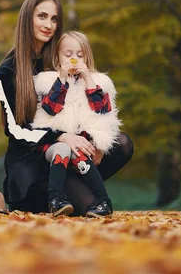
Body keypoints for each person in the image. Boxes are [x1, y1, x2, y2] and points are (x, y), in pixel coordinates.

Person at [0, 0, 134, 216]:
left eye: (54, 18)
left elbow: (82, 108)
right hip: (32, 163)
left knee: (123, 144)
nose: (48, 24)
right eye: (42, 16)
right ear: (27, 18)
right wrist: (60, 136)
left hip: (69, 156)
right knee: (88, 206)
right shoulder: (7, 71)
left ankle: (75, 182)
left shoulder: (61, 58)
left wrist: (93, 141)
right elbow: (15, 130)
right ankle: (51, 195)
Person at [31, 31, 121, 217]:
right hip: (54, 142)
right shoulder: (48, 80)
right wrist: (62, 80)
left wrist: (88, 79)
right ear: (58, 57)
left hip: (80, 145)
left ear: (87, 57)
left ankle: (103, 200)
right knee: (64, 149)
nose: (74, 60)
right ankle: (56, 199)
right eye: (68, 54)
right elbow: (50, 109)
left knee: (79, 150)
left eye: (80, 55)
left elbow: (102, 110)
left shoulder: (98, 82)